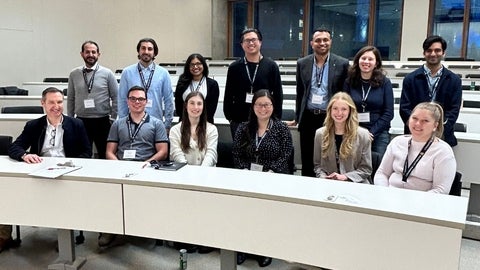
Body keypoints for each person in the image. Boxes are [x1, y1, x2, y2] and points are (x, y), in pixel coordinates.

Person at [2, 87, 91, 252]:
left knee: (63, 196)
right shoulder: (34, 125)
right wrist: (24, 155)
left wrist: (71, 164)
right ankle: (4, 235)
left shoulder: (76, 124)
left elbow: (87, 152)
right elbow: (15, 147)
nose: (56, 106)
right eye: (51, 102)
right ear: (43, 103)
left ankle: (65, 238)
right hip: (39, 172)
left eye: (59, 102)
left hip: (66, 174)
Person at [100, 86, 169, 247]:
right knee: (109, 192)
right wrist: (118, 167)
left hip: (147, 167)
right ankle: (111, 228)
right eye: (133, 99)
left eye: (140, 99)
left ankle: (147, 228)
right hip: (121, 167)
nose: (137, 102)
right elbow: (110, 151)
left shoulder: (156, 124)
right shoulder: (118, 124)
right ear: (127, 101)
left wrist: (147, 163)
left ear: (146, 102)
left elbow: (163, 152)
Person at [232, 89, 293, 268]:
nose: (263, 108)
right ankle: (242, 247)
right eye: (259, 104)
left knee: (265, 213)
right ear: (253, 106)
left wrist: (271, 173)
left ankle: (264, 249)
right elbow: (236, 153)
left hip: (272, 177)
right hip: (247, 177)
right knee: (244, 212)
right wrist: (244, 171)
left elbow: (286, 154)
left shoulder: (281, 128)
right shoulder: (244, 128)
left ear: (273, 107)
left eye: (267, 105)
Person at [291, 27, 349, 177]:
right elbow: (300, 92)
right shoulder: (302, 63)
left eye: (325, 40)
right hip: (308, 117)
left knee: (328, 157)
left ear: (331, 42)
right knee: (308, 158)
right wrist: (298, 117)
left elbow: (345, 94)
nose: (322, 43)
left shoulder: (342, 64)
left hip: (330, 118)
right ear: (311, 43)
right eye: (318, 40)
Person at [169, 91, 218, 254]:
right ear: (186, 106)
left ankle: (205, 238)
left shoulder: (212, 129)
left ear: (203, 107)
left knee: (206, 207)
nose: (195, 107)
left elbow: (211, 154)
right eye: (192, 103)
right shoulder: (175, 130)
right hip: (183, 177)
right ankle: (186, 237)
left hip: (207, 178)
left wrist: (200, 176)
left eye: (199, 104)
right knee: (185, 206)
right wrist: (190, 176)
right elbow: (177, 155)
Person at [374, 102, 456, 194]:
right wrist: (384, 192)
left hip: (422, 202)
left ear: (435, 126)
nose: (417, 123)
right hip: (390, 196)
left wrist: (414, 202)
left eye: (425, 121)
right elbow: (382, 173)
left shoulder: (443, 151)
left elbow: (441, 189)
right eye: (414, 118)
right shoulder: (397, 142)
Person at [399, 35, 462, 147]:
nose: (433, 54)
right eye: (429, 50)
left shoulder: (454, 80)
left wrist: (438, 130)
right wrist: (420, 128)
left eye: (437, 50)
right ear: (424, 53)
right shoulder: (410, 79)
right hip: (415, 135)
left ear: (443, 53)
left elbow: (454, 110)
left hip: (443, 138)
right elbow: (405, 109)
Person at [223, 28, 283, 138]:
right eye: (247, 40)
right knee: (241, 153)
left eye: (254, 40)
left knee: (263, 152)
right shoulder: (234, 67)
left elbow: (278, 95)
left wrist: (275, 119)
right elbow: (228, 95)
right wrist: (230, 118)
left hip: (264, 120)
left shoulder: (271, 66)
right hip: (239, 121)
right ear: (242, 44)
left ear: (260, 42)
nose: (251, 43)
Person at [67, 40, 118, 159]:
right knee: (83, 154)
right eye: (87, 52)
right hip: (81, 121)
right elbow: (71, 98)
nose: (90, 55)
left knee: (104, 154)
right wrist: (70, 119)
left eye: (93, 52)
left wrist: (114, 118)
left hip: (103, 121)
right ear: (82, 54)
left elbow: (116, 97)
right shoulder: (74, 74)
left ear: (98, 54)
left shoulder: (107, 73)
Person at [343, 46, 394, 157]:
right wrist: (356, 131)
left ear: (376, 63)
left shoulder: (385, 82)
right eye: (363, 58)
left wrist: (371, 133)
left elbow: (389, 113)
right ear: (358, 61)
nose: (366, 61)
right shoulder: (349, 81)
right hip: (354, 131)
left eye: (370, 59)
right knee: (353, 166)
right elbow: (344, 108)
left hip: (378, 133)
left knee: (377, 165)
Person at [313, 92, 372, 183]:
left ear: (350, 111)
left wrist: (344, 177)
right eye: (335, 108)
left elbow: (366, 169)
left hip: (356, 184)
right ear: (330, 110)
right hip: (328, 183)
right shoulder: (320, 134)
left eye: (344, 109)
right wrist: (323, 177)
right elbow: (318, 166)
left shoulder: (363, 135)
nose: (339, 113)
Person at [118, 38, 174, 132]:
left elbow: (168, 100)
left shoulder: (163, 73)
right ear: (138, 51)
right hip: (132, 123)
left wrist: (167, 124)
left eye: (150, 49)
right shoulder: (127, 72)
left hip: (156, 123)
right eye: (143, 48)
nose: (146, 51)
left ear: (154, 52)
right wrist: (123, 123)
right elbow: (122, 99)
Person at [175, 53, 219, 124]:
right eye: (192, 64)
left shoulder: (212, 84)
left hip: (205, 124)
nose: (195, 67)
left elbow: (211, 109)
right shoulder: (182, 82)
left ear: (203, 65)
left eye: (198, 64)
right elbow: (178, 106)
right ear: (188, 67)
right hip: (185, 123)